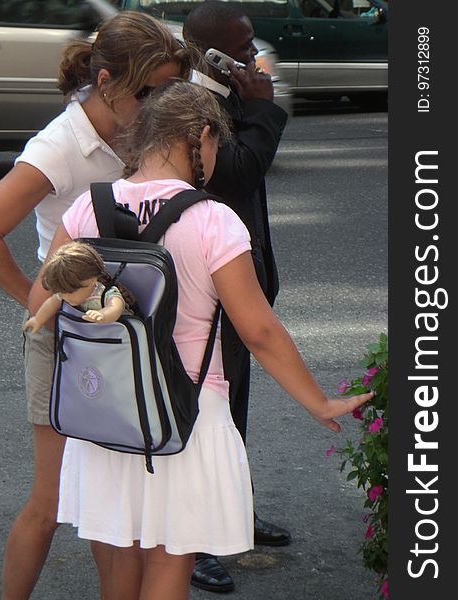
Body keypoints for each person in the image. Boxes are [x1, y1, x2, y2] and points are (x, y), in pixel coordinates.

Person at [27, 79, 372, 600]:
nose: (212, 159)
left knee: (123, 556)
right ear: (201, 136)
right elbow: (258, 330)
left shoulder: (86, 209)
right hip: (183, 413)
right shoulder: (213, 220)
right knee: (171, 560)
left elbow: (41, 304)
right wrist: (318, 401)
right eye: (215, 146)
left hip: (105, 410)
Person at [0, 11, 191, 600]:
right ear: (108, 79)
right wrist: (40, 305)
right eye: (149, 90)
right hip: (68, 337)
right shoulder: (61, 146)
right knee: (53, 497)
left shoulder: (139, 127)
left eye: (170, 88)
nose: (161, 101)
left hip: (125, 330)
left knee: (112, 496)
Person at [184, 1, 290, 590]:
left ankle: (233, 514)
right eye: (243, 45)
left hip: (238, 286)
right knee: (208, 418)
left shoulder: (226, 96)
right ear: (211, 52)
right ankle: (196, 541)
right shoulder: (190, 106)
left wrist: (252, 104)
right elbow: (237, 172)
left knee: (234, 413)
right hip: (203, 295)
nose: (253, 54)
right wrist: (265, 110)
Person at [22, 240, 136, 335]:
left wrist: (103, 315)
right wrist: (38, 319)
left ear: (92, 279)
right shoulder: (65, 295)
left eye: (72, 291)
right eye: (62, 292)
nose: (66, 296)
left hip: (116, 338)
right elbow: (51, 303)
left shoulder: (104, 294)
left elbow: (116, 307)